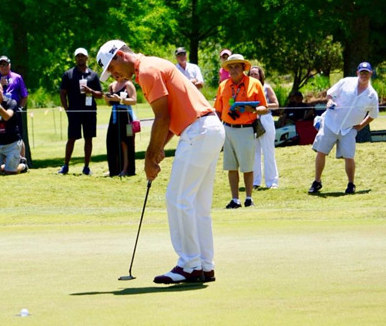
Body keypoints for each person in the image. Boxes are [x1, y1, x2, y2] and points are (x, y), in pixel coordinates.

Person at [97, 40, 225, 284]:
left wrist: (149, 155)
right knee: (197, 204)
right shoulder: (152, 65)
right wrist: (158, 150)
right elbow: (169, 117)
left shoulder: (146, 71)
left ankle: (189, 264)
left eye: (112, 69)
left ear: (121, 55)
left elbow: (162, 116)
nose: (114, 75)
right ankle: (205, 265)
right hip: (209, 129)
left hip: (198, 131)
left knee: (177, 198)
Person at [308, 62, 379, 195]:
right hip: (330, 123)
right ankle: (317, 182)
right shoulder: (346, 82)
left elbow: (373, 115)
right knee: (321, 152)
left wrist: (360, 126)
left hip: (348, 129)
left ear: (370, 74)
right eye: (361, 72)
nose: (364, 75)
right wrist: (329, 102)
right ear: (357, 73)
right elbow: (330, 94)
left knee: (349, 156)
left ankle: (351, 184)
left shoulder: (372, 95)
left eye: (366, 73)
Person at [214, 54, 268, 209]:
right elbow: (218, 109)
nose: (233, 70)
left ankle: (249, 198)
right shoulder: (223, 85)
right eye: (230, 66)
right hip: (227, 129)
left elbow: (264, 108)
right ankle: (235, 199)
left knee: (247, 166)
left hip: (246, 129)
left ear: (244, 68)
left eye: (236, 66)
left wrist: (253, 109)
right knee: (231, 166)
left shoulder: (254, 84)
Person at [58, 47, 103, 175]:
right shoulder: (69, 74)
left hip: (89, 112)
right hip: (74, 111)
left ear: (87, 58)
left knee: (88, 139)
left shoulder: (93, 75)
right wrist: (67, 109)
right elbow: (62, 93)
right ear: (75, 58)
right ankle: (65, 166)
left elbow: (100, 94)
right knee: (71, 138)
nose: (80, 58)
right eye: (78, 56)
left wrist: (91, 91)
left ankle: (86, 167)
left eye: (82, 56)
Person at [0, 56, 29, 163]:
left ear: (10, 65)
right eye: (1, 64)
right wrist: (0, 85)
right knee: (1, 134)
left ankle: (22, 160)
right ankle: (3, 161)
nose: (3, 67)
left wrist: (20, 107)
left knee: (18, 136)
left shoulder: (17, 77)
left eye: (5, 64)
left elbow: (24, 95)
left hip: (13, 110)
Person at [249, 66, 279, 189]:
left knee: (268, 151)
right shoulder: (247, 89)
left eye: (255, 74)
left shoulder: (266, 87)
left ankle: (272, 181)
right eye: (251, 74)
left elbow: (276, 105)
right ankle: (255, 182)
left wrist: (263, 106)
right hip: (252, 120)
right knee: (254, 152)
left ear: (260, 75)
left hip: (265, 119)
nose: (253, 76)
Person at [104, 76, 137, 177]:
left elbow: (134, 100)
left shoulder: (128, 85)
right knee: (111, 141)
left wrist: (121, 99)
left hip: (126, 116)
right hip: (114, 116)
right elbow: (109, 104)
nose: (116, 75)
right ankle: (114, 169)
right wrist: (107, 99)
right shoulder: (111, 86)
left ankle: (126, 169)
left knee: (126, 142)